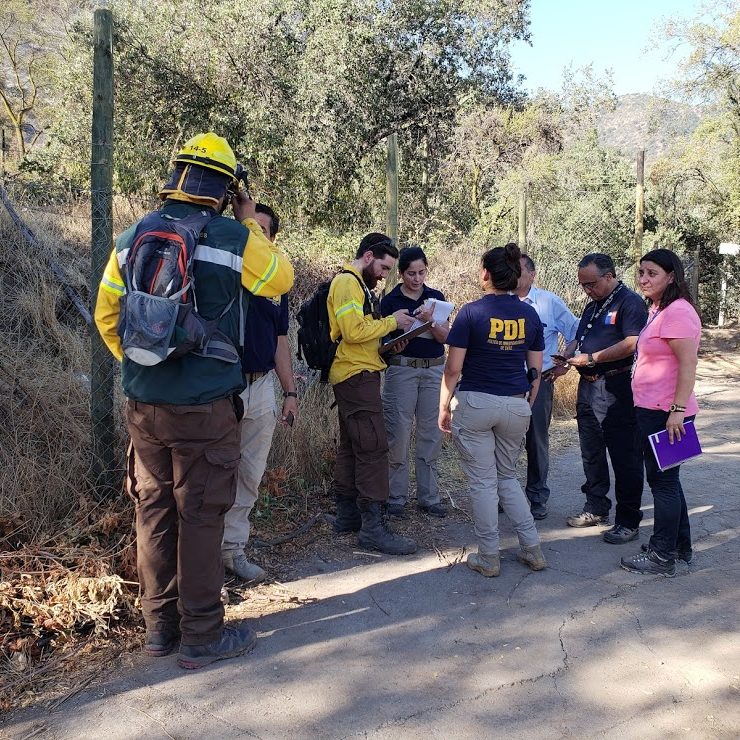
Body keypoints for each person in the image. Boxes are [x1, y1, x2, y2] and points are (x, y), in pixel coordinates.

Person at [94, 133, 294, 669]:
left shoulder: (131, 236)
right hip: (206, 407)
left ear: (176, 176)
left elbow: (106, 317)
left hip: (144, 406)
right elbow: (281, 278)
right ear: (228, 189)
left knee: (153, 511)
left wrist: (142, 366)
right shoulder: (233, 237)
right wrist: (251, 221)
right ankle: (202, 635)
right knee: (202, 515)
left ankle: (159, 629)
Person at [439, 242, 547, 577]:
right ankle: (532, 548)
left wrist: (444, 406)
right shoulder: (529, 314)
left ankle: (489, 555)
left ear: (486, 274)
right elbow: (536, 369)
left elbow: (453, 368)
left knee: (483, 482)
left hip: (476, 402)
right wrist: (527, 401)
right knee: (507, 477)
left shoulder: (471, 313)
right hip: (515, 404)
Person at [328, 233, 418, 555]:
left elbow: (360, 334)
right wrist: (392, 322)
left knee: (353, 446)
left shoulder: (358, 285)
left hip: (357, 372)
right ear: (368, 257)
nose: (383, 275)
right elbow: (352, 331)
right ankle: (373, 529)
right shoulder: (347, 283)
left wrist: (389, 344)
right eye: (383, 267)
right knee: (374, 447)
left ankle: (348, 517)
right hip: (356, 376)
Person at [222, 204, 297, 585]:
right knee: (214, 473)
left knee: (250, 473)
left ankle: (232, 551)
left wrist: (290, 391)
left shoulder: (276, 282)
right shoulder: (222, 268)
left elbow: (280, 340)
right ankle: (203, 558)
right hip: (222, 387)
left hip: (262, 385)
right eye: (247, 226)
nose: (253, 234)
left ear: (272, 238)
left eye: (261, 230)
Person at [620, 249, 701, 577]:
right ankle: (679, 547)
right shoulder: (659, 310)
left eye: (652, 273)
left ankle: (662, 556)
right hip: (654, 410)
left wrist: (677, 411)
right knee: (669, 481)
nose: (643, 279)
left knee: (663, 484)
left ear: (671, 276)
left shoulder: (678, 312)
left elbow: (688, 365)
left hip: (666, 413)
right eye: (641, 272)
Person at [565, 253, 647, 544]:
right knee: (591, 451)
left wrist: (592, 358)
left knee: (625, 456)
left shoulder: (630, 302)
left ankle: (628, 520)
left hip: (616, 386)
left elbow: (632, 343)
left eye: (591, 284)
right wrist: (567, 354)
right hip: (588, 387)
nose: (587, 290)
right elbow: (579, 338)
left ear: (609, 276)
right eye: (583, 285)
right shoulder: (593, 305)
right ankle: (596, 506)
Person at [380, 246, 450, 520]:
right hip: (402, 370)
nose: (417, 279)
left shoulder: (436, 298)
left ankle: (428, 496)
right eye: (411, 273)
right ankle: (395, 497)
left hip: (434, 371)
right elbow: (382, 343)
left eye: (422, 272)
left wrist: (431, 321)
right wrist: (396, 343)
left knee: (431, 433)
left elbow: (446, 337)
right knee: (398, 432)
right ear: (401, 273)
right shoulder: (390, 300)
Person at [516, 253, 580, 520]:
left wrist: (566, 360)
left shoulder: (549, 302)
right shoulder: (500, 301)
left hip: (539, 382)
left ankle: (537, 497)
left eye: (519, 270)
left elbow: (576, 331)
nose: (513, 274)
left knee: (536, 440)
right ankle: (503, 495)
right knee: (502, 442)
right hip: (504, 382)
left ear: (532, 275)